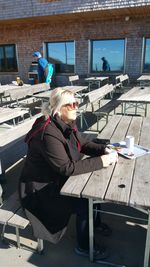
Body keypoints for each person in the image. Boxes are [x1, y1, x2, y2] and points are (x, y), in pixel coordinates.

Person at [18, 88, 118, 260]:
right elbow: (66, 168)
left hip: (54, 178)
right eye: (70, 104)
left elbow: (82, 143)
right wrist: (102, 161)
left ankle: (95, 225)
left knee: (93, 186)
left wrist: (103, 150)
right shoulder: (48, 132)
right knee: (85, 200)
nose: (75, 107)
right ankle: (84, 246)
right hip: (40, 189)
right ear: (57, 108)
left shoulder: (64, 122)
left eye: (76, 103)